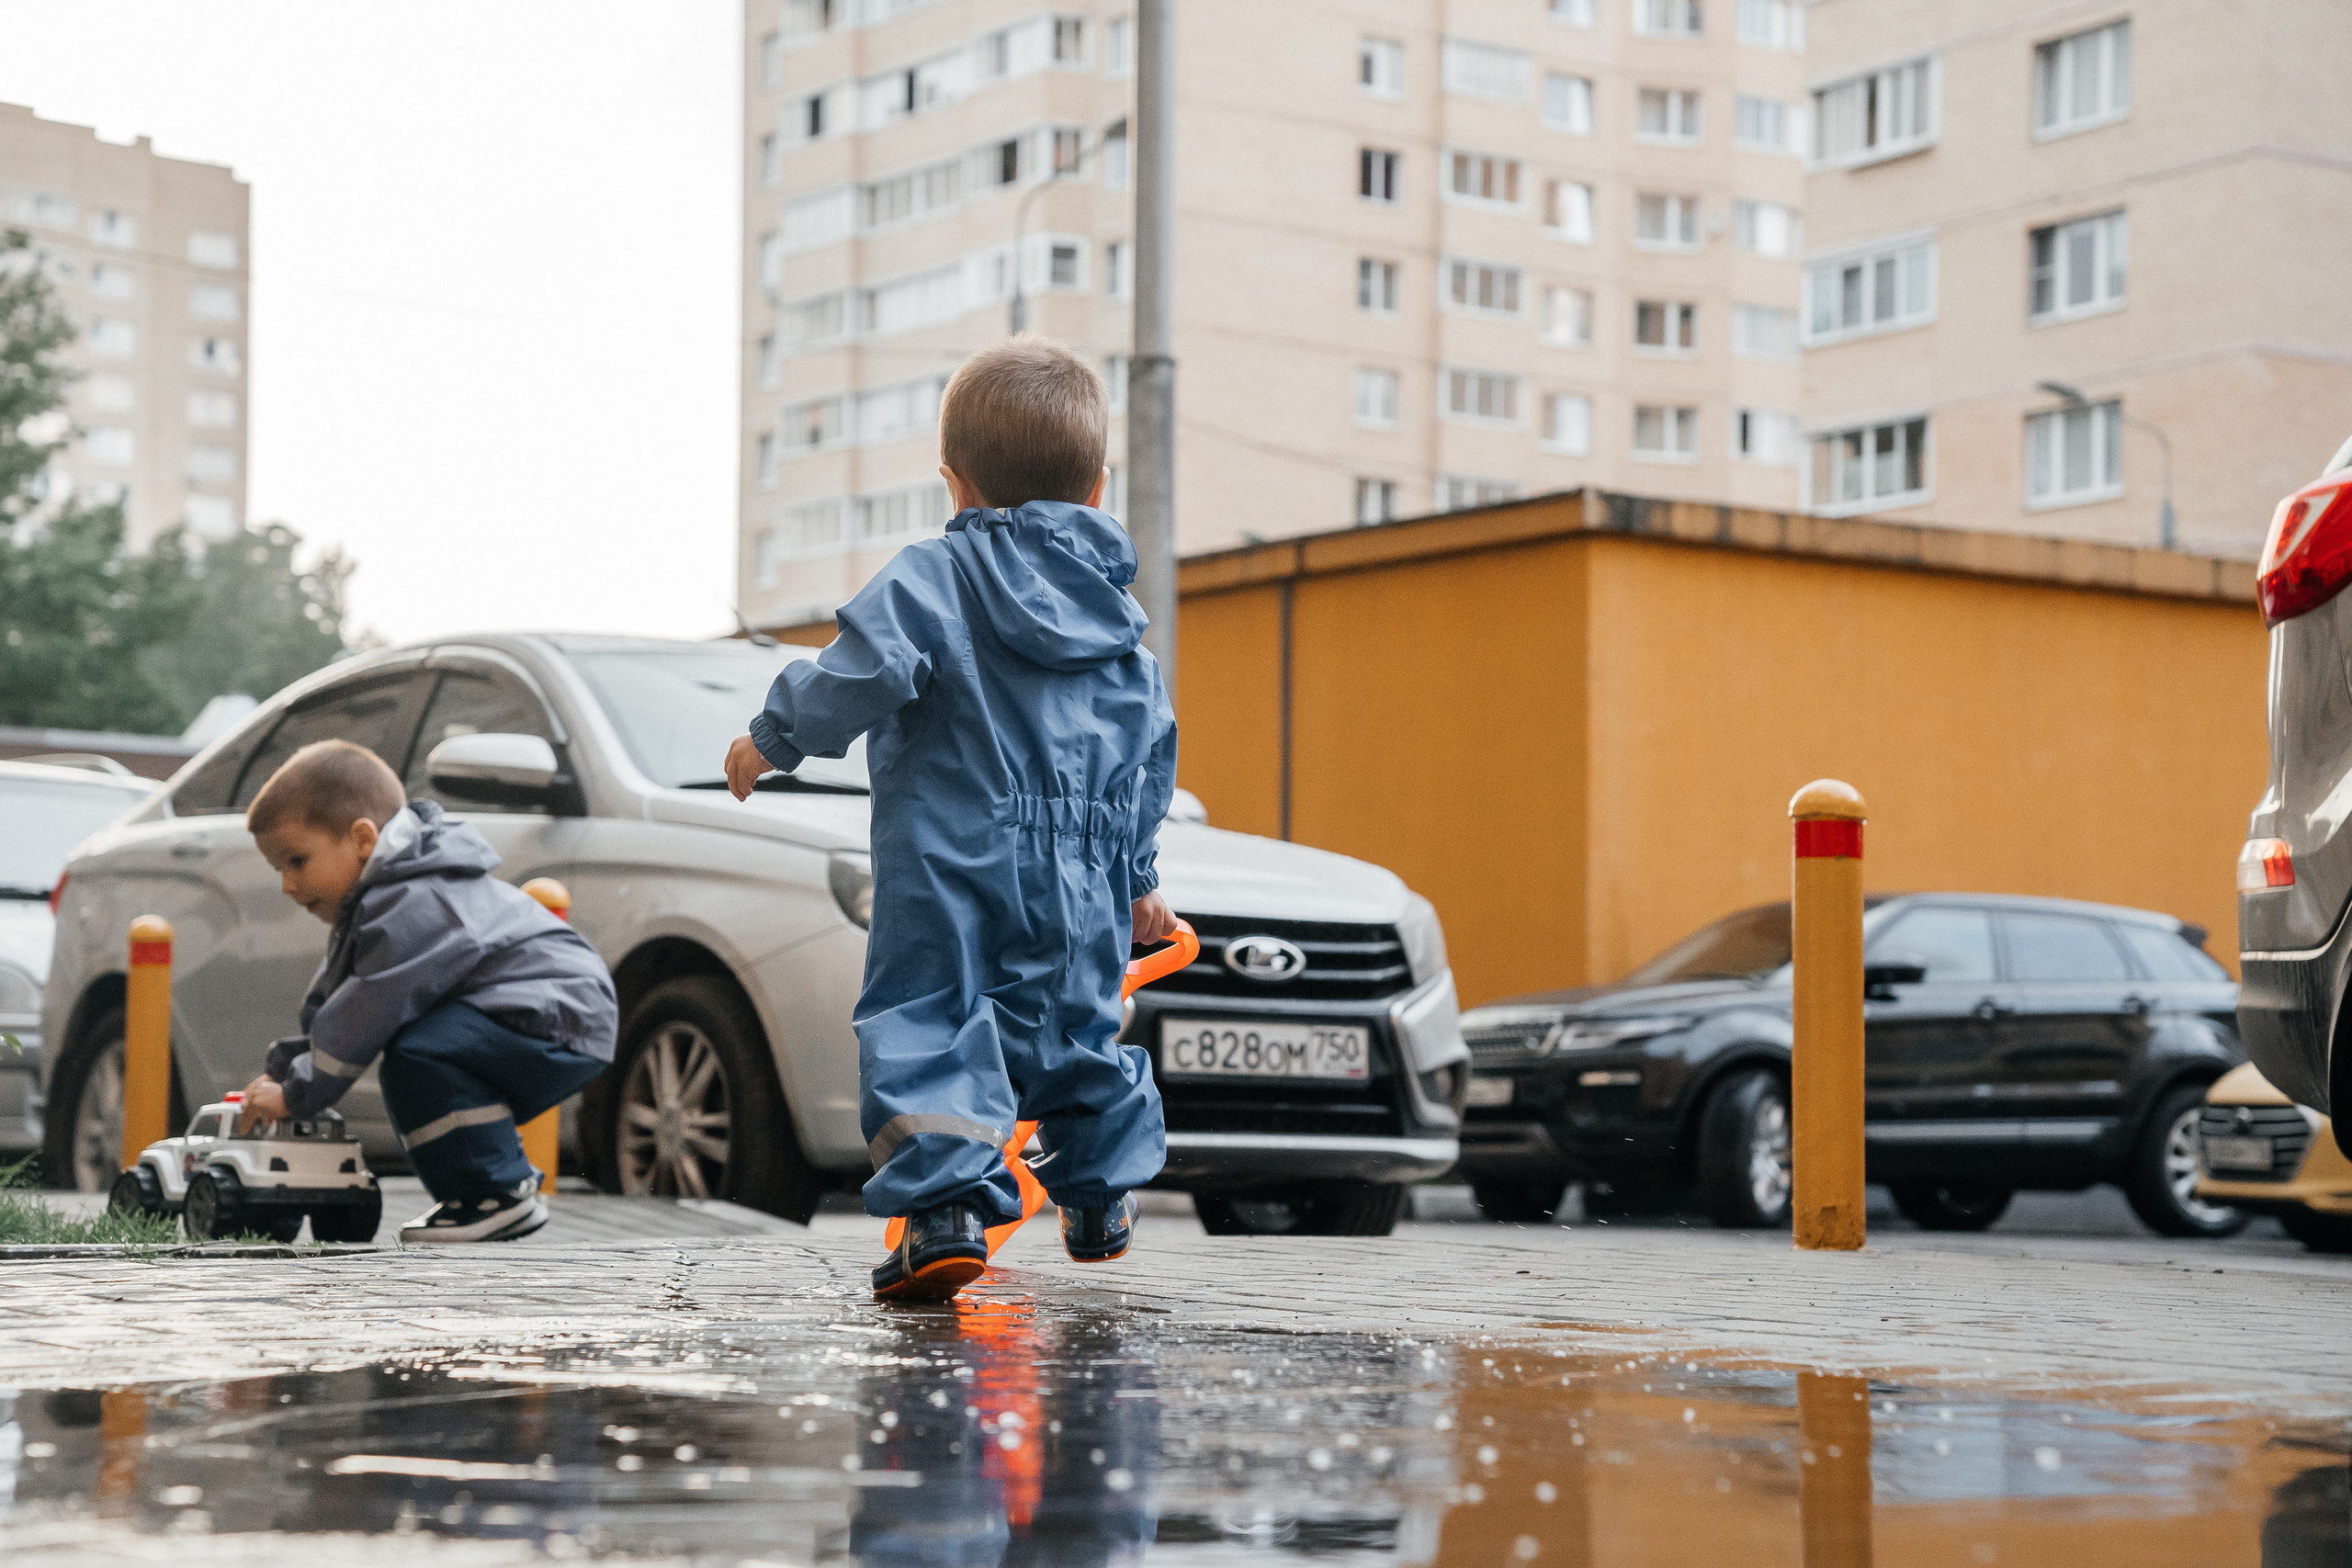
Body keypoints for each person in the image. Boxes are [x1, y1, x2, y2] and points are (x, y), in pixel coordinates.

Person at [722, 334, 1179, 1303]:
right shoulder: (1120, 631)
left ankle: (942, 1217)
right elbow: (1147, 751)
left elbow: (863, 671)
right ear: (1096, 489)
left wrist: (771, 738)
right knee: (1073, 1030)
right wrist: (1135, 878)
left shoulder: (931, 577)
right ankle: (1100, 1196)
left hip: (952, 859)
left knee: (933, 1020)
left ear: (955, 484)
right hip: (1084, 870)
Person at [236, 739, 617, 1243]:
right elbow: (335, 1000)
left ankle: (497, 1195)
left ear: (362, 839)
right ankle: (475, 1200)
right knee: (423, 1055)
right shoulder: (382, 896)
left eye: (297, 861)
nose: (287, 884)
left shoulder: (415, 901)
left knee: (420, 1056)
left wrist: (297, 1093)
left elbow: (365, 1011)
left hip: (558, 1015)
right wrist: (284, 1069)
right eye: (279, 869)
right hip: (539, 1015)